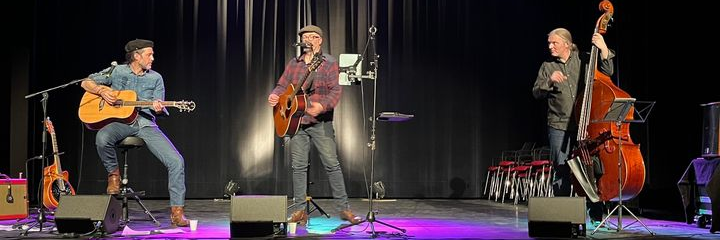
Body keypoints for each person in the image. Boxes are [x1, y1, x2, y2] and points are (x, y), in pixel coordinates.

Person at [80, 39, 189, 227]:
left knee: (176, 161)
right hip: (120, 122)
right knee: (102, 137)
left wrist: (159, 108)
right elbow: (85, 83)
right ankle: (113, 175)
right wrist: (101, 91)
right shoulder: (117, 71)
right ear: (136, 56)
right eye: (149, 54)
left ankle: (177, 212)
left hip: (145, 123)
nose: (153, 58)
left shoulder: (156, 78)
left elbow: (159, 107)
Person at [267, 25, 361, 225]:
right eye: (304, 36)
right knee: (298, 167)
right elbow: (283, 85)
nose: (307, 39)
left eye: (312, 36)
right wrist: (275, 95)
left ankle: (344, 209)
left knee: (331, 164)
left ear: (320, 40)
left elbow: (335, 91)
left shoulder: (328, 63)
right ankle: (300, 210)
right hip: (297, 122)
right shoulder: (295, 62)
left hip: (320, 123)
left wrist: (322, 106)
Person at [532, 28, 614, 225]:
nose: (550, 46)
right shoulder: (547, 66)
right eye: (549, 43)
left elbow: (608, 71)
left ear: (567, 44)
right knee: (561, 169)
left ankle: (594, 214)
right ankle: (563, 216)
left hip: (584, 125)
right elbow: (536, 92)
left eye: (554, 43)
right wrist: (549, 81)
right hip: (558, 125)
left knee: (589, 169)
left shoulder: (584, 60)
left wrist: (603, 49)